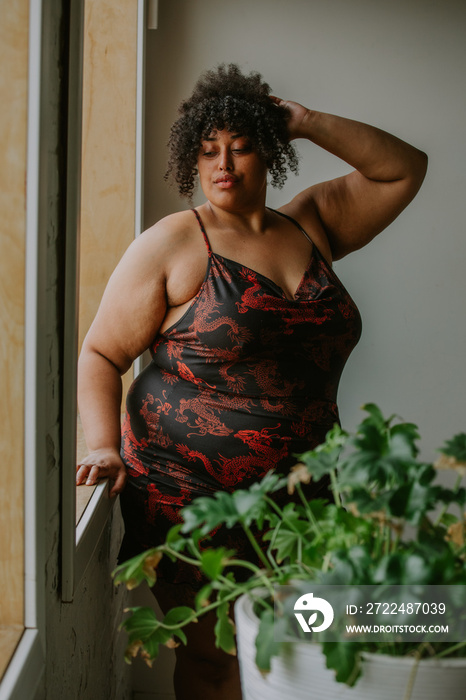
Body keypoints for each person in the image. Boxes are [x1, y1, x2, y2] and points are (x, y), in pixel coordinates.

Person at [76, 64, 427, 699]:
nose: (225, 163)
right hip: (188, 492)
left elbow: (404, 168)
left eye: (241, 145)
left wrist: (306, 121)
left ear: (269, 148)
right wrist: (102, 445)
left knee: (296, 643)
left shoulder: (312, 223)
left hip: (302, 493)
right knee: (215, 658)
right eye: (208, 149)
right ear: (190, 158)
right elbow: (101, 352)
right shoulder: (175, 242)